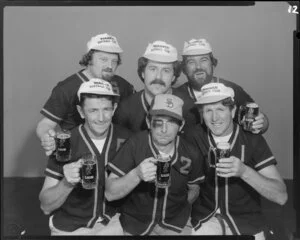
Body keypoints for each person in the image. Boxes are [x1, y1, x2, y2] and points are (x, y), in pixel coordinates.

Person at [182, 83, 287, 239]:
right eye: (208, 110)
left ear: (233, 111)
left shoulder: (251, 138)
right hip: (205, 219)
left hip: (246, 221)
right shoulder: (192, 136)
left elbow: (281, 196)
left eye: (220, 109)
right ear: (201, 114)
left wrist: (244, 172)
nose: (214, 117)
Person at [39, 79, 132, 235]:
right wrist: (66, 183)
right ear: (81, 111)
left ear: (114, 108)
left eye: (106, 109)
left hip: (113, 222)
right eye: (93, 110)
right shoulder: (64, 143)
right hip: (70, 227)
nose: (101, 118)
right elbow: (45, 206)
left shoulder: (128, 139)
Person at [105, 94, 205, 235]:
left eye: (171, 122)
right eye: (158, 122)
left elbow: (194, 189)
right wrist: (137, 174)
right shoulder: (135, 144)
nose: (164, 129)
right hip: (136, 222)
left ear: (181, 125)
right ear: (148, 121)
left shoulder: (191, 152)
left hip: (175, 222)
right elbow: (110, 193)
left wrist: (178, 208)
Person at [37, 33, 135, 156]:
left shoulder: (122, 85)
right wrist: (47, 137)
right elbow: (45, 124)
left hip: (115, 153)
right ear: (89, 60)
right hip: (78, 152)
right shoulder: (67, 88)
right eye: (103, 59)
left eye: (114, 61)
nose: (110, 66)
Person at [177, 38, 269, 133]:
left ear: (213, 63)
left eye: (203, 60)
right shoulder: (177, 95)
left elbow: (261, 121)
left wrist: (261, 123)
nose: (198, 66)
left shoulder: (231, 89)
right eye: (191, 62)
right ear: (184, 69)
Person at [112, 40, 182, 132]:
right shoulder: (125, 110)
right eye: (153, 69)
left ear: (173, 76)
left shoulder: (187, 107)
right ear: (143, 73)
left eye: (166, 70)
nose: (158, 76)